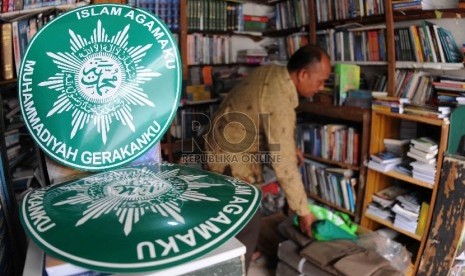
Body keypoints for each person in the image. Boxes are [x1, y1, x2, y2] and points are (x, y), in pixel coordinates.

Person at [202, 45, 332, 270]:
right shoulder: (279, 97)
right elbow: (284, 166)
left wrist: (291, 148)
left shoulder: (273, 72)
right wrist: (303, 211)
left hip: (222, 142)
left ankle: (237, 254)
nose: (321, 88)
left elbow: (272, 125)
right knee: (247, 216)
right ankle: (233, 267)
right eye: (320, 81)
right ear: (302, 74)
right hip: (230, 158)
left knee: (227, 214)